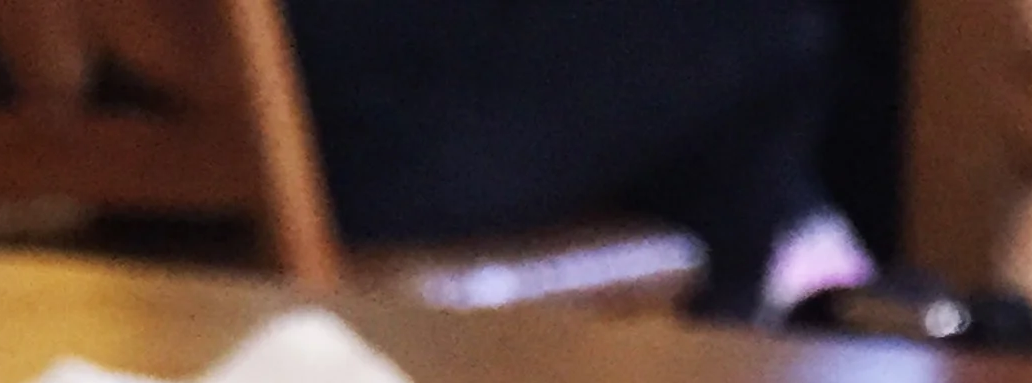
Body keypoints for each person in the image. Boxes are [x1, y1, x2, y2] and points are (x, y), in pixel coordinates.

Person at [282, 0, 860, 319]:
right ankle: (804, 284)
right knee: (777, 30)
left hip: (234, 127)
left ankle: (796, 253)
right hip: (361, 140)